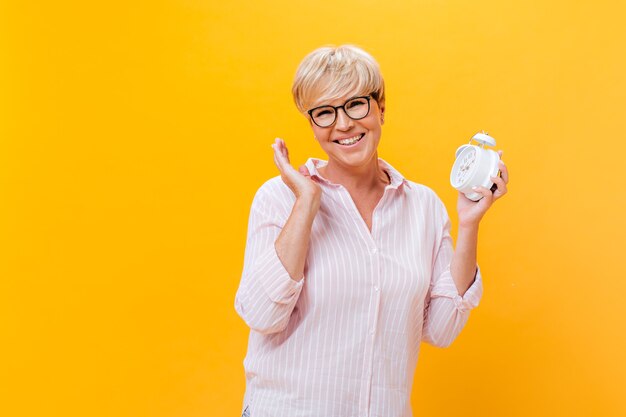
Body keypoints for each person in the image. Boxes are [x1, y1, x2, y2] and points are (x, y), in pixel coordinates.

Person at [234, 44, 509, 417]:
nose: (343, 124)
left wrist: (470, 223)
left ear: (381, 107)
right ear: (312, 125)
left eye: (356, 104)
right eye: (324, 113)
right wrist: (307, 202)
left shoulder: (424, 208)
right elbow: (263, 315)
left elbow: (442, 330)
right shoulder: (279, 198)